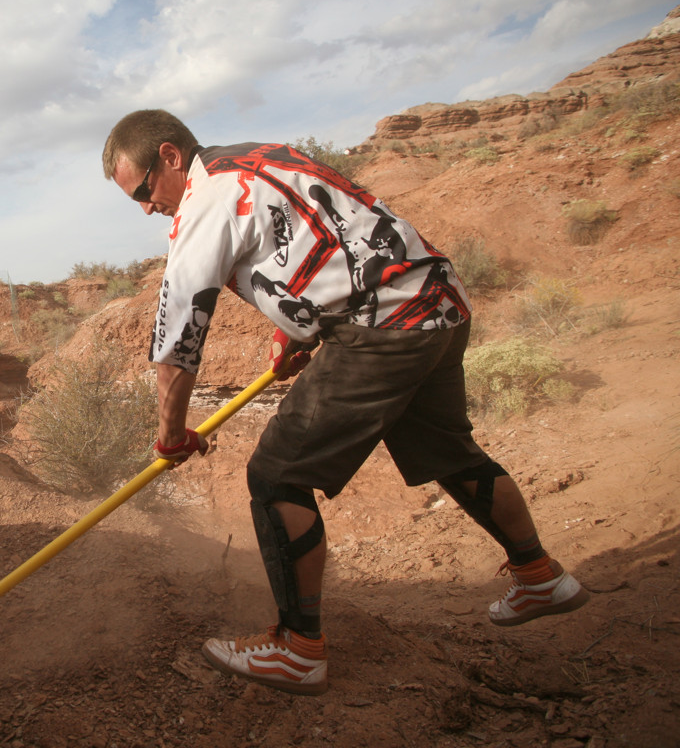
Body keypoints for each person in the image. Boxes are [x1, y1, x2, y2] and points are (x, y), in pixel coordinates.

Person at [102, 109, 589, 696]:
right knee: (444, 451)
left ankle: (296, 648)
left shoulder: (206, 200)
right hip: (437, 304)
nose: (147, 208)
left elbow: (179, 334)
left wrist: (171, 434)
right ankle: (539, 576)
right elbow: (330, 240)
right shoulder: (262, 157)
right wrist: (296, 330)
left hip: (383, 324)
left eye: (142, 192)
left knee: (278, 473)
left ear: (170, 157)